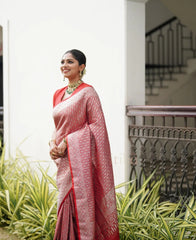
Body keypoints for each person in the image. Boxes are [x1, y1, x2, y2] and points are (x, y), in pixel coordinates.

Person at [49, 49, 119, 240]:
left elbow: (97, 127)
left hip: (79, 159)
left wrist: (66, 142)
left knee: (80, 202)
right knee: (64, 202)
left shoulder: (88, 92)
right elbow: (58, 126)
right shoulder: (58, 94)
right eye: (62, 61)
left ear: (81, 67)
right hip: (63, 159)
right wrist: (52, 143)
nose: (64, 65)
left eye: (70, 62)